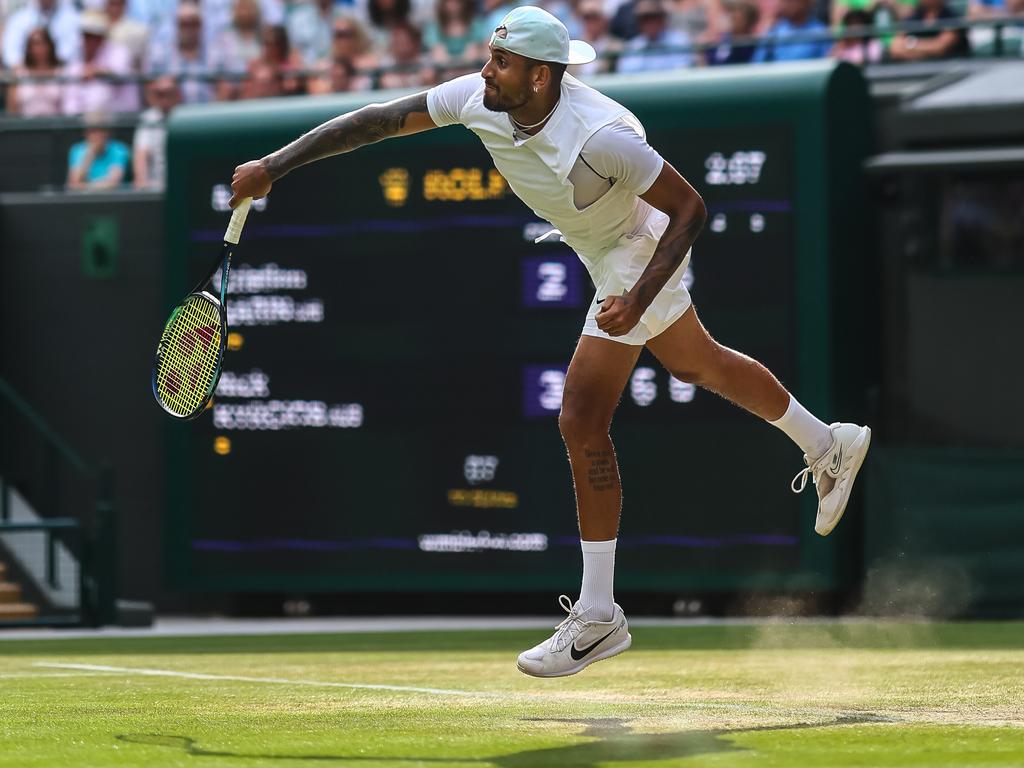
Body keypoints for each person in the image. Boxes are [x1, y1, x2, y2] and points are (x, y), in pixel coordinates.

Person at [228, 5, 871, 678]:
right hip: (598, 246)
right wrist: (275, 164)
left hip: (633, 245)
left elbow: (690, 209)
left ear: (540, 76)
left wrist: (638, 297)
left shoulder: (598, 140)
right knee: (694, 362)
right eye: (489, 56)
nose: (486, 70)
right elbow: (378, 120)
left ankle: (598, 616)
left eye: (501, 62)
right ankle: (828, 443)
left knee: (581, 417)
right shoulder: (477, 98)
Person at [61, 9, 139, 114]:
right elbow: (70, 98)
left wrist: (97, 72)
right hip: (81, 122)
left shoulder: (119, 52)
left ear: (103, 36)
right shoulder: (76, 58)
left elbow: (121, 74)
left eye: (95, 35)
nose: (90, 40)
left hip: (118, 119)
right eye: (86, 35)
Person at [146, 2, 213, 104]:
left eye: (193, 24)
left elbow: (224, 87)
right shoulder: (161, 55)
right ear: (177, 26)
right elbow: (150, 89)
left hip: (210, 115)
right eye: (184, 24)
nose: (188, 29)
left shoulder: (214, 53)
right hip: (173, 115)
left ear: (201, 25)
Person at [616, 0, 694, 72]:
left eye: (653, 17)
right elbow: (627, 74)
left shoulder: (680, 41)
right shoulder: (633, 46)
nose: (649, 23)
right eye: (644, 19)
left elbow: (682, 71)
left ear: (662, 19)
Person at [132, 74, 179, 189]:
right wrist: (142, 183)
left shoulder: (186, 118)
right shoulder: (147, 120)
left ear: (177, 95)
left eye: (169, 93)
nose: (165, 99)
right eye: (160, 94)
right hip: (156, 187)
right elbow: (141, 155)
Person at [2, 0, 79, 70]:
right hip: (26, 78)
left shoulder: (72, 17)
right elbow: (11, 54)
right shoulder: (18, 18)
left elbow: (71, 52)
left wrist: (53, 70)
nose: (40, 50)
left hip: (62, 77)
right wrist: (28, 72)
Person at [4, 25, 64, 116]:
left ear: (50, 45)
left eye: (43, 42)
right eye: (34, 43)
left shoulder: (62, 72)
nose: (39, 48)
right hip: (25, 127)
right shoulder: (18, 73)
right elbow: (12, 109)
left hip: (55, 126)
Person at [66, 111, 130, 190]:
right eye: (93, 130)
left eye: (102, 130)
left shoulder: (119, 150)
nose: (98, 135)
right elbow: (74, 184)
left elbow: (113, 183)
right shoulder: (77, 150)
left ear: (108, 132)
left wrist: (84, 186)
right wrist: (90, 155)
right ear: (86, 132)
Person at [751, 0, 831, 62]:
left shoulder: (821, 33)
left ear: (806, 2)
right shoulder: (774, 32)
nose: (786, 5)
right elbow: (757, 65)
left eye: (790, 0)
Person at [888, 0, 969, 60]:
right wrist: (926, 51)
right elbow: (895, 49)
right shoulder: (913, 17)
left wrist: (910, 44)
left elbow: (940, 47)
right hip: (915, 73)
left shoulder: (952, 17)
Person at [708, 0, 758, 64]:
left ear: (748, 22)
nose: (734, 23)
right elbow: (715, 58)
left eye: (739, 19)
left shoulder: (751, 45)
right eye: (733, 18)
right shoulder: (725, 38)